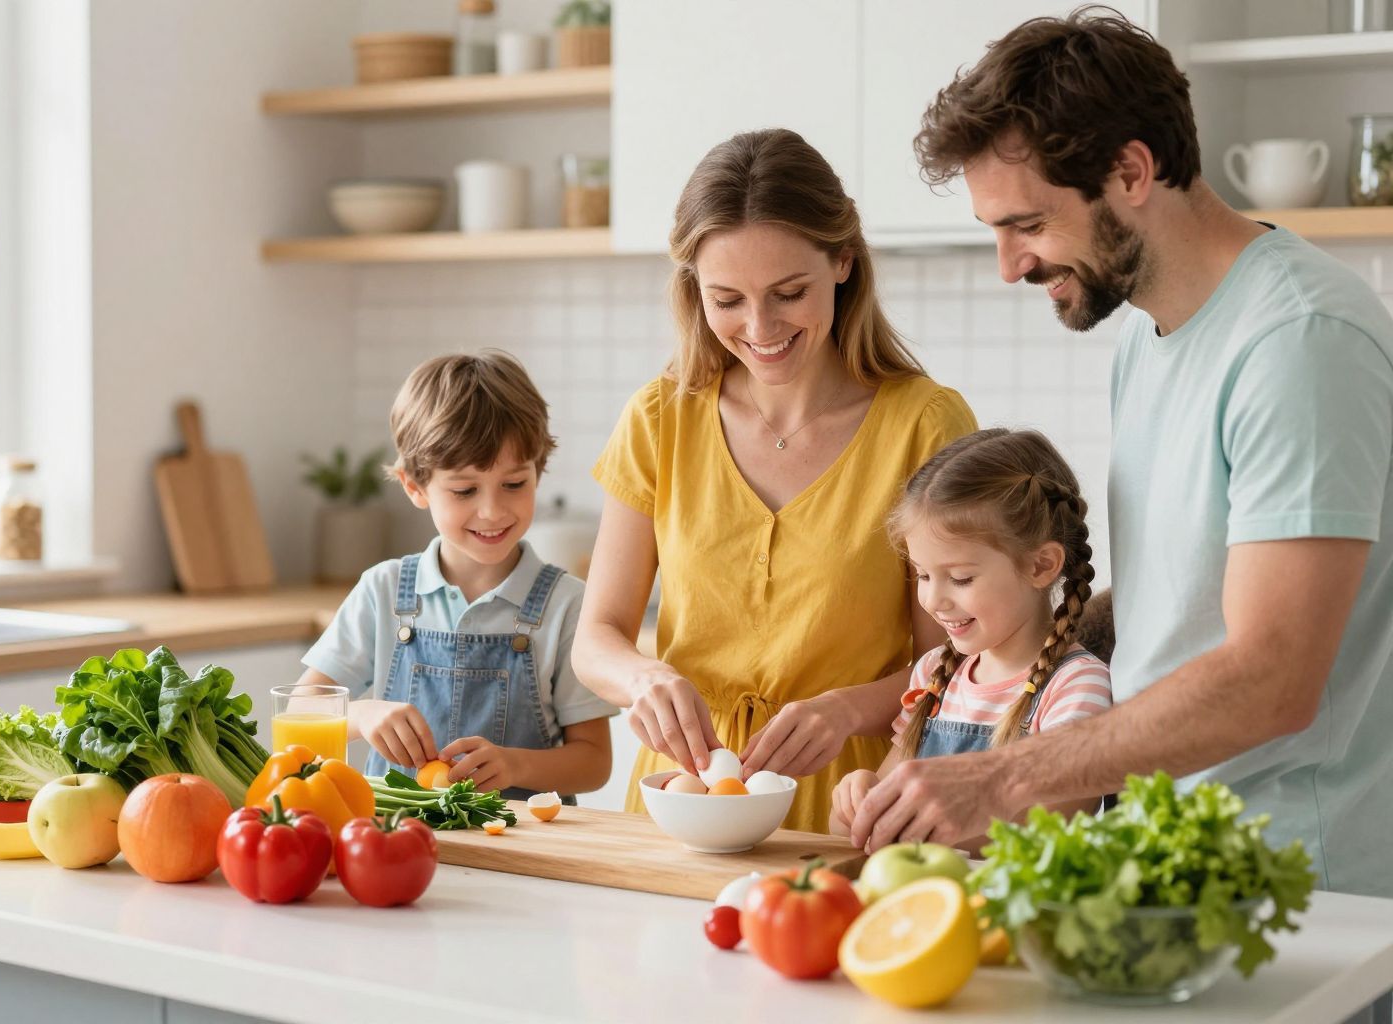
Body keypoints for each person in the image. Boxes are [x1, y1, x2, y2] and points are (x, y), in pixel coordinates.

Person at [845, 8, 1393, 904]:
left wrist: (1006, 774)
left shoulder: (1300, 340)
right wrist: (1027, 641)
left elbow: (1273, 678)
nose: (1008, 265)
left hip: (1297, 889)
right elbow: (1176, 605)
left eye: (1026, 224)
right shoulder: (1147, 332)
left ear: (1132, 172)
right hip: (1169, 866)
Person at [574, 128, 977, 831]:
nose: (759, 327)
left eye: (789, 293)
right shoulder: (661, 417)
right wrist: (643, 677)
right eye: (726, 299)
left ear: (843, 261)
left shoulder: (926, 426)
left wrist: (851, 708)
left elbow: (955, 659)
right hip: (680, 806)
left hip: (850, 802)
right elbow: (596, 637)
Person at [297, 350, 616, 801]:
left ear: (538, 471)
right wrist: (362, 714)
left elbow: (594, 762)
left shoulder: (567, 604)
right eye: (465, 490)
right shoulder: (383, 591)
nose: (493, 510)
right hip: (393, 842)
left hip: (520, 851)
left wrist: (515, 764)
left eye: (514, 484)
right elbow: (298, 714)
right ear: (414, 486)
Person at [829, 428, 1112, 849]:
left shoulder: (1076, 687)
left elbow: (1048, 831)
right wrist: (858, 799)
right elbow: (863, 828)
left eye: (960, 578)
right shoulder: (934, 675)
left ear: (1041, 566)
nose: (934, 600)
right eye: (923, 575)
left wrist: (908, 827)